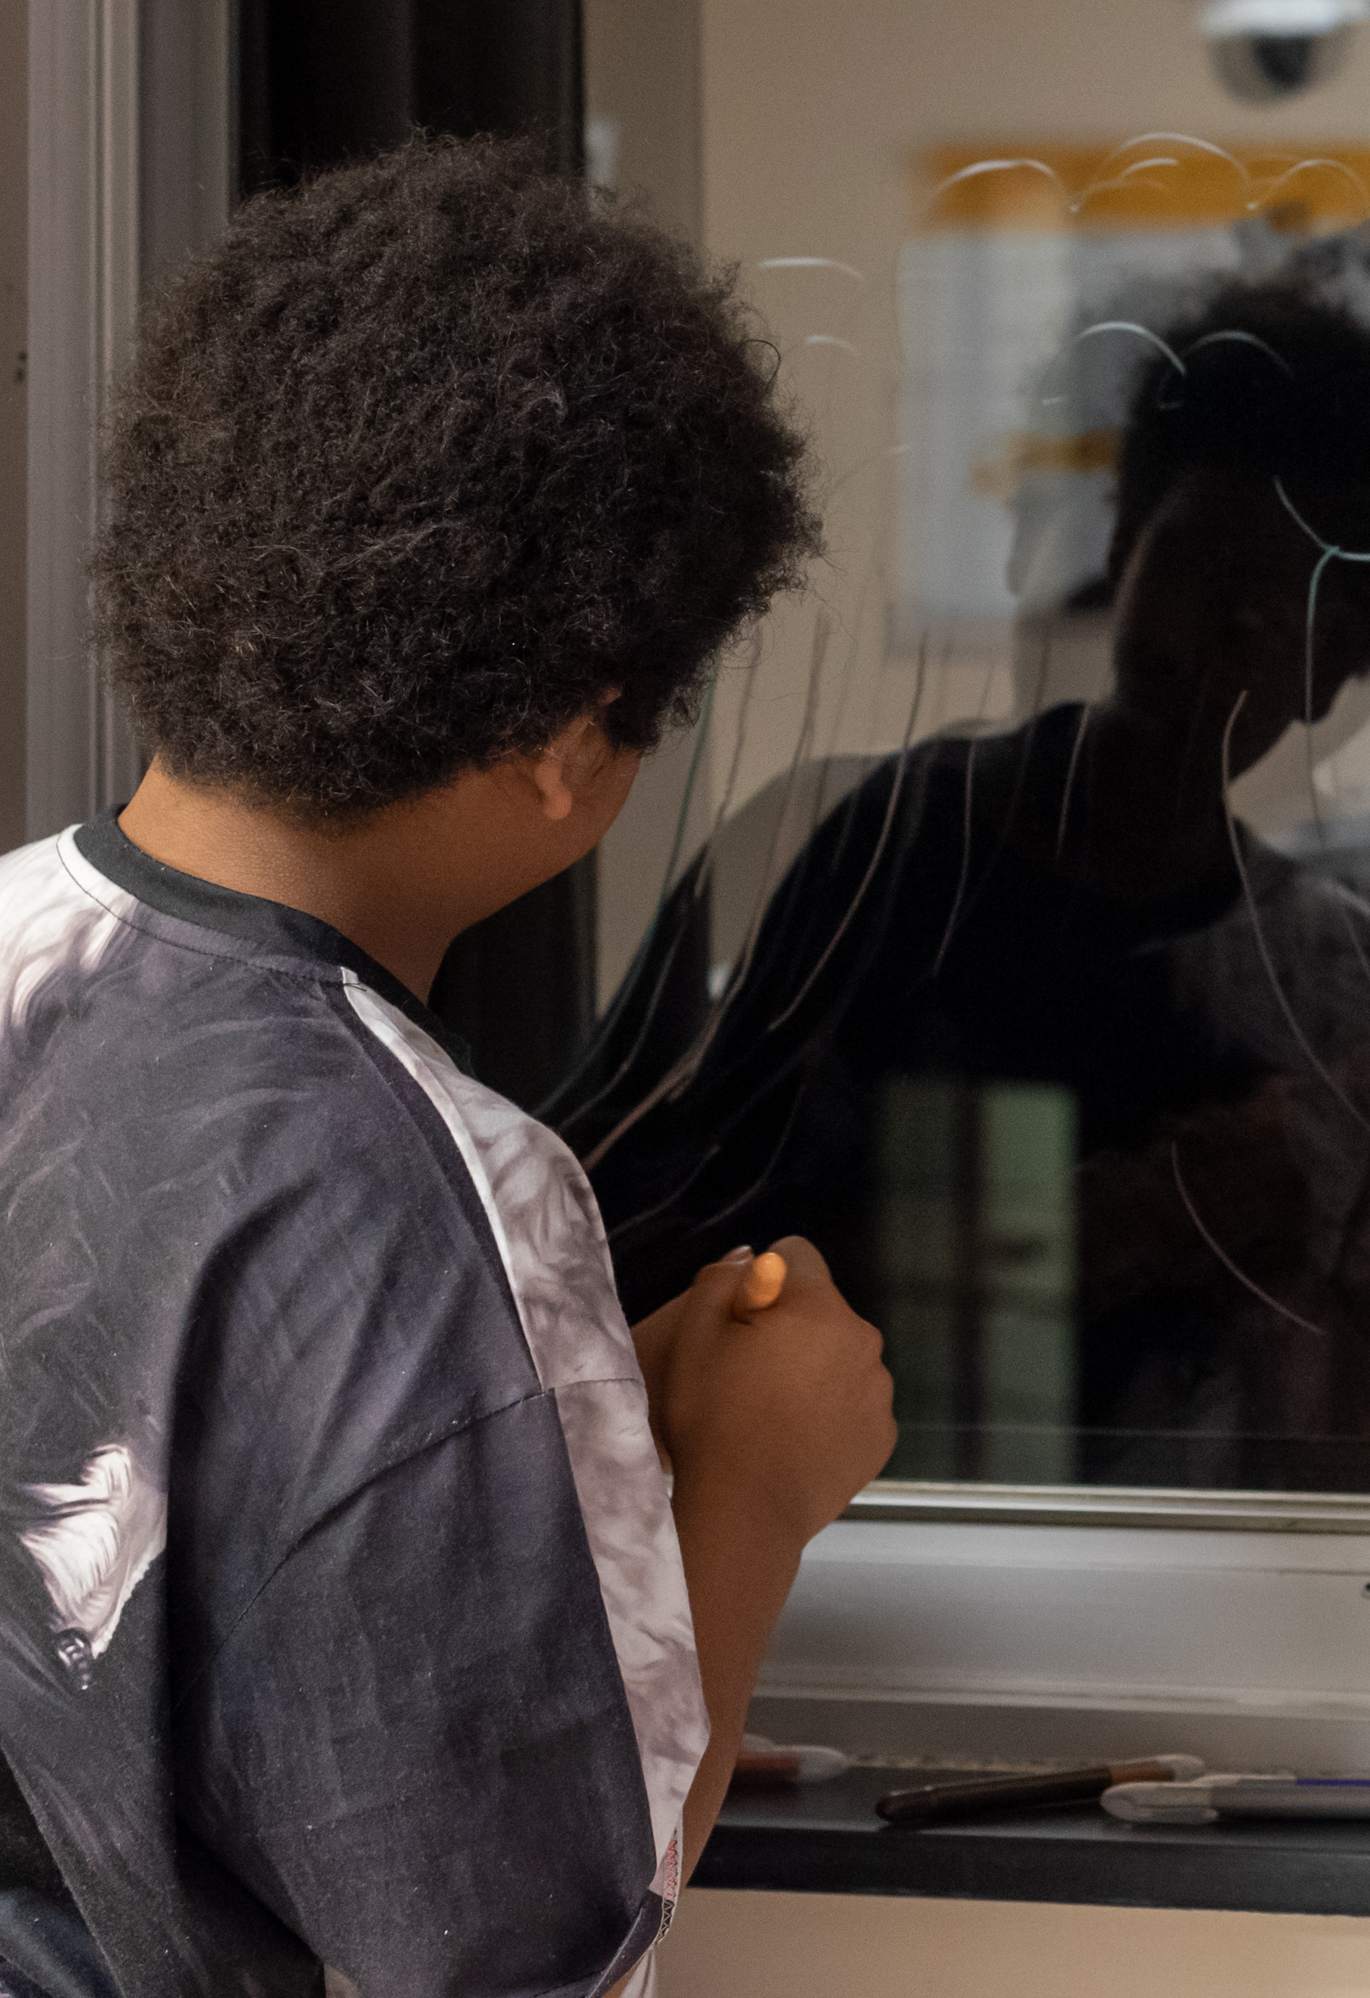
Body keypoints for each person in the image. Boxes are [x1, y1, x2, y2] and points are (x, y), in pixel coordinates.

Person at [0, 139, 893, 1998]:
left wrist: (555, 1418)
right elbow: (526, 1952)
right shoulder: (420, 1190)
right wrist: (746, 1480)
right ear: (574, 737)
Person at [567, 280, 1370, 1493]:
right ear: (1123, 553)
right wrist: (1146, 1213)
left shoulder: (1324, 971)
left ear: (1343, 663)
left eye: (1290, 599)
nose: (1228, 631)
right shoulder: (902, 853)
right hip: (886, 1558)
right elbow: (683, 1258)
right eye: (1202, 559)